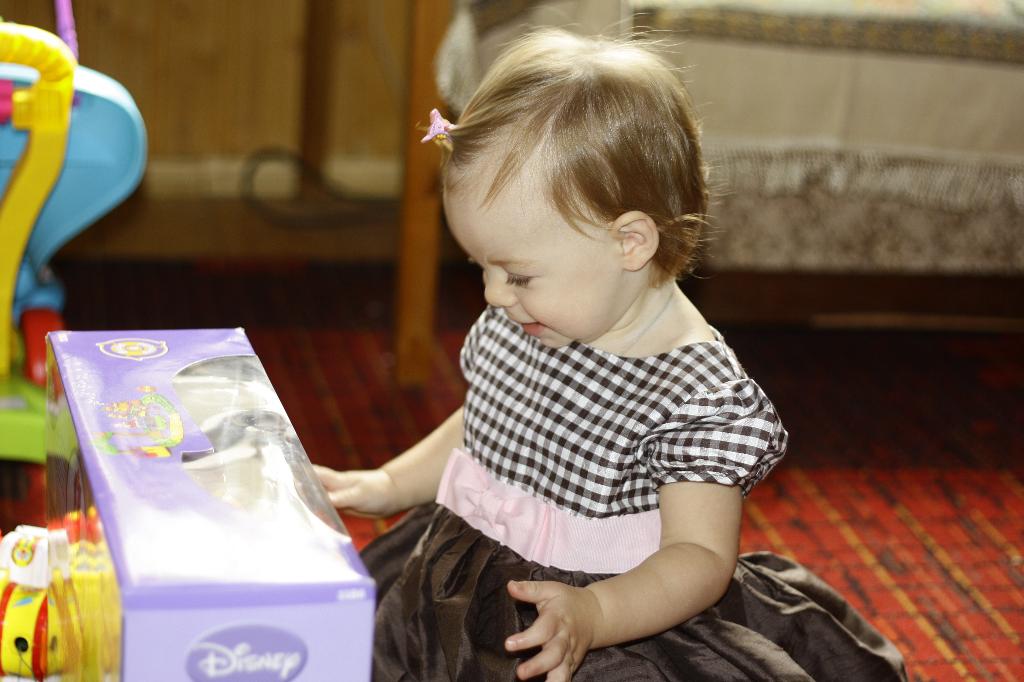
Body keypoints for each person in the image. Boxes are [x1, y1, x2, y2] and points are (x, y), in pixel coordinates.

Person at [315, 29, 906, 681]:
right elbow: (486, 423)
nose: (492, 294)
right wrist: (389, 484)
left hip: (620, 617)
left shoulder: (694, 396)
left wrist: (597, 612)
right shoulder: (532, 317)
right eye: (480, 265)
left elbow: (699, 557)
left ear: (630, 243)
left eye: (516, 272)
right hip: (460, 579)